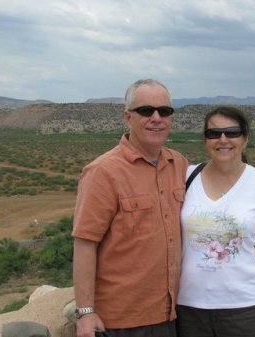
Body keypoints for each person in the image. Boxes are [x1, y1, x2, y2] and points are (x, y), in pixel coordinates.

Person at [72, 79, 188, 337]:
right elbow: (84, 243)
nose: (156, 118)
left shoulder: (178, 164)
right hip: (121, 321)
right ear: (128, 117)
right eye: (146, 111)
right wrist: (86, 311)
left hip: (171, 313)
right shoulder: (103, 172)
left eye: (165, 111)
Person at [176, 106, 255, 337]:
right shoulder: (186, 177)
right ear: (205, 140)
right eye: (214, 133)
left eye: (232, 132)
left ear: (245, 138)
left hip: (244, 309)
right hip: (188, 308)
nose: (222, 139)